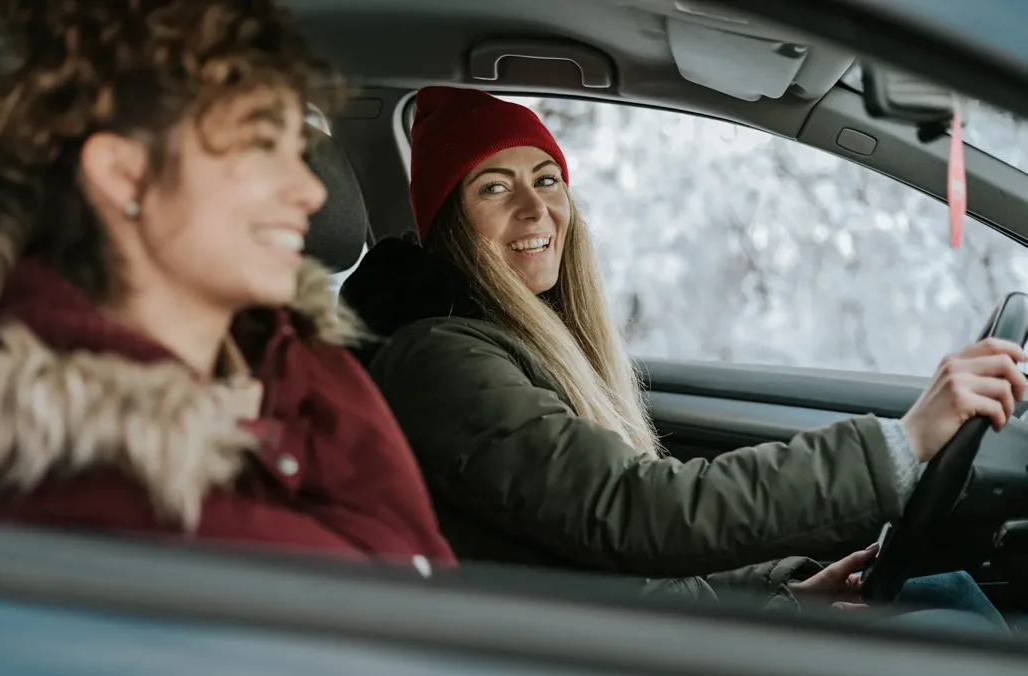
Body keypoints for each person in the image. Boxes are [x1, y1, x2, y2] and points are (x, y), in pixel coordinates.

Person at [339, 86, 1023, 613]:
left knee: (944, 596)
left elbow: (611, 567)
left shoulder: (510, 344)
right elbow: (641, 514)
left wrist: (788, 595)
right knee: (950, 622)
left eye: (546, 178)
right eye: (494, 187)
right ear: (450, 226)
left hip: (618, 634)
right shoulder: (441, 363)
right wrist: (902, 442)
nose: (535, 208)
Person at [0, 0, 454, 568]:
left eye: (301, 148)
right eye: (262, 145)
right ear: (125, 175)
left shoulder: (296, 354)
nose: (312, 193)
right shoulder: (61, 474)